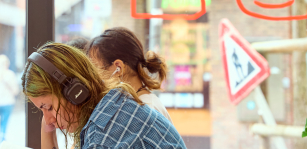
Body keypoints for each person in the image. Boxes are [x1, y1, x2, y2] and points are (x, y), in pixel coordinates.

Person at [22, 43, 186, 149]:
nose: (49, 119)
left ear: (74, 91)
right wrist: (47, 127)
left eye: (49, 107)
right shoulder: (112, 106)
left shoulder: (105, 135)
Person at [86, 27, 173, 123]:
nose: (94, 76)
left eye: (96, 69)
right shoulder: (136, 104)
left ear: (118, 67)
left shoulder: (145, 110)